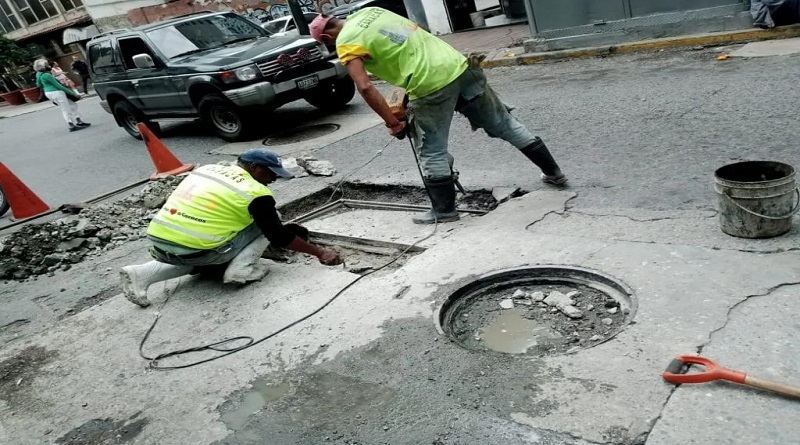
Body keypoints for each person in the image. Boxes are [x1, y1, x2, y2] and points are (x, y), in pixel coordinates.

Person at [309, 9, 568, 224]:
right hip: (459, 65)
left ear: (327, 36)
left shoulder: (345, 41)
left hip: (430, 84)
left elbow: (364, 87)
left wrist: (393, 123)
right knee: (504, 123)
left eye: (328, 44)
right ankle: (554, 173)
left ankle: (444, 211)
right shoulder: (372, 11)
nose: (332, 46)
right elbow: (409, 37)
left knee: (431, 149)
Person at [119, 148, 344, 308]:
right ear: (255, 167)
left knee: (190, 248)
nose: (274, 178)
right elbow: (278, 236)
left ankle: (141, 273)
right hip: (201, 251)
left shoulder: (209, 169)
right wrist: (320, 252)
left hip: (159, 244)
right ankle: (242, 269)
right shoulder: (256, 192)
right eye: (271, 172)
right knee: (271, 219)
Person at [33, 59, 90, 132]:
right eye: (46, 65)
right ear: (43, 67)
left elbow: (39, 85)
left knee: (72, 104)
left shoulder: (39, 75)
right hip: (56, 92)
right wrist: (74, 94)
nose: (49, 66)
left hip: (48, 93)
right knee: (65, 108)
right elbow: (59, 86)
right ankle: (71, 125)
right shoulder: (47, 75)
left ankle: (78, 120)